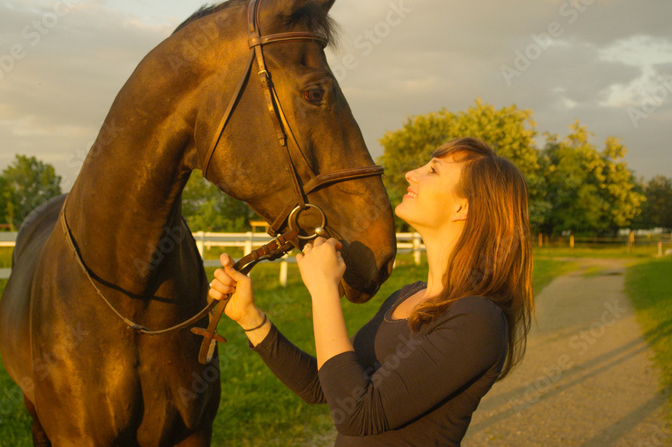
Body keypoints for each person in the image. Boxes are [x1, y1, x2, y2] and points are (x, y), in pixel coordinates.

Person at [208, 137, 534, 445]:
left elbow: (357, 414)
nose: (411, 174)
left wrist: (323, 290)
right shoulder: (408, 295)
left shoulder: (477, 318)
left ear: (463, 208)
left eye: (432, 170)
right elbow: (325, 386)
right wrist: (251, 318)